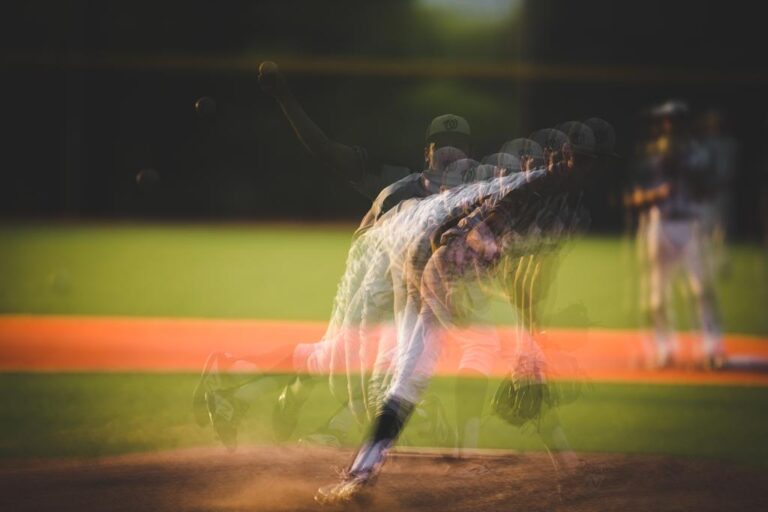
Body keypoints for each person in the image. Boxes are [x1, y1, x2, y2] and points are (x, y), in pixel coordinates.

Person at [193, 61, 475, 450]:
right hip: (369, 280)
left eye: (456, 148)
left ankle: (245, 387)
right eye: (441, 148)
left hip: (398, 288)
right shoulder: (397, 181)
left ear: (469, 155)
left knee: (345, 358)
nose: (449, 154)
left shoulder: (467, 201)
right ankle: (312, 425)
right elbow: (324, 150)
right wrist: (284, 97)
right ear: (426, 152)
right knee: (362, 366)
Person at [625, 100, 724, 369]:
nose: (669, 125)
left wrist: (689, 174)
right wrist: (653, 194)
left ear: (683, 124)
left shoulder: (697, 154)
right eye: (666, 120)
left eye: (674, 120)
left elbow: (711, 189)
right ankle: (664, 349)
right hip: (660, 224)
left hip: (690, 225)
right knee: (656, 298)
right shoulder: (650, 155)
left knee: (701, 288)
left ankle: (712, 348)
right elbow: (632, 197)